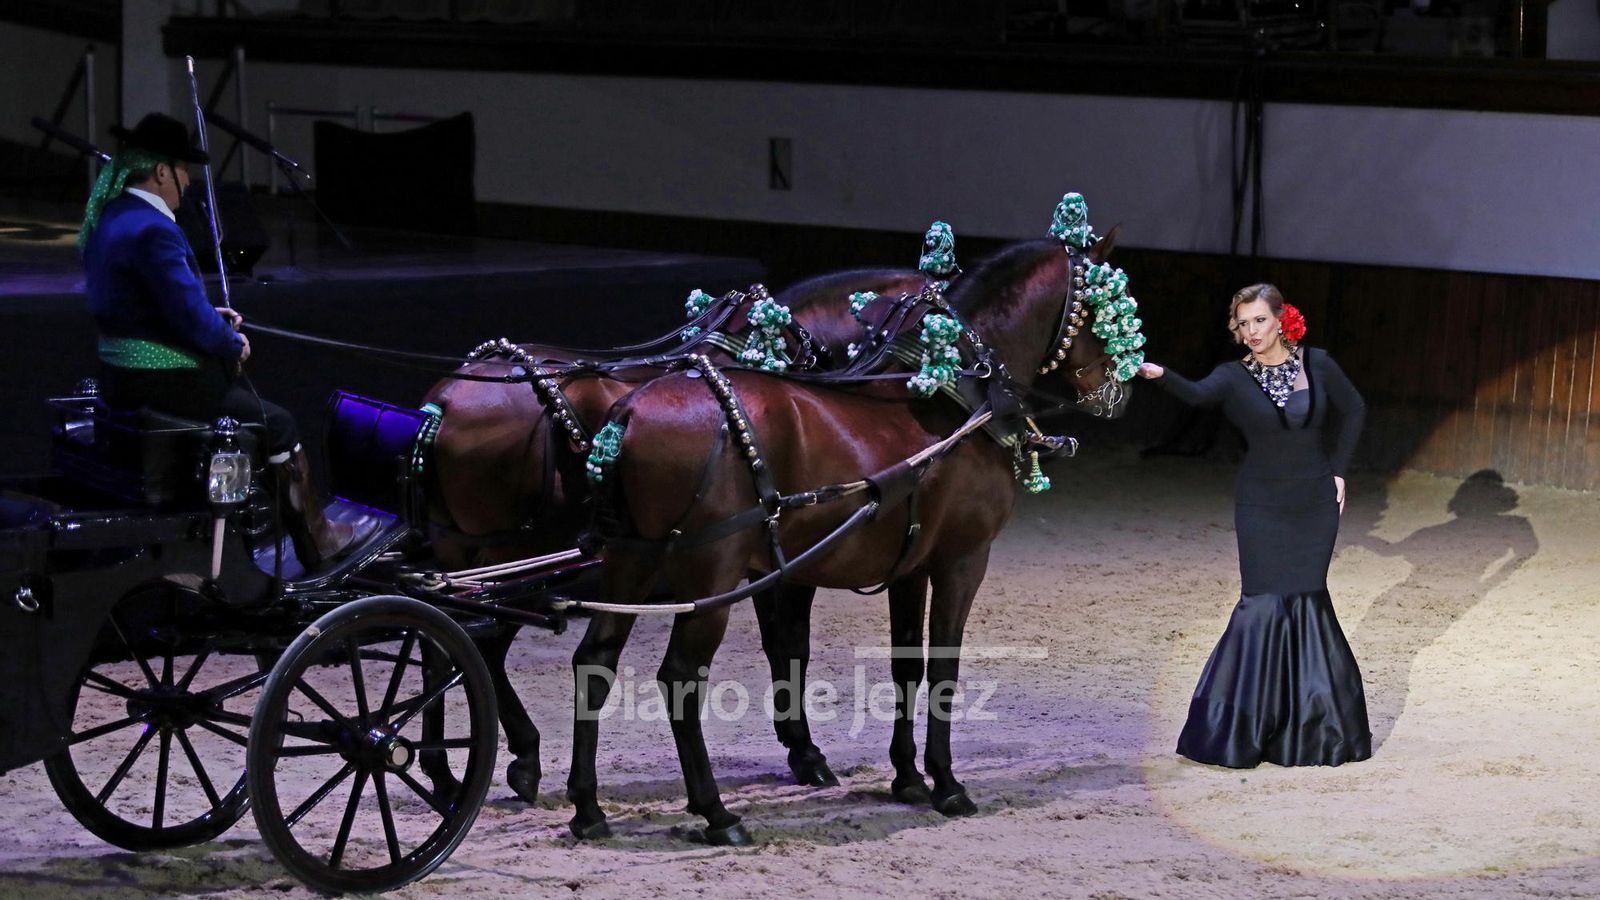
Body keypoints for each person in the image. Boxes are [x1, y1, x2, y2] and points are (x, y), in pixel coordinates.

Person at [79, 112, 378, 570]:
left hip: (121, 375)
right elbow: (195, 325)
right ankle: (320, 540)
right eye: (185, 173)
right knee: (276, 423)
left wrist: (209, 318)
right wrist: (230, 341)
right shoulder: (155, 229)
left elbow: (143, 305)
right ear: (163, 172)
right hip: (162, 381)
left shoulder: (114, 215)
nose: (188, 183)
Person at [1137, 283, 1371, 768]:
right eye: (1243, 324)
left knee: (1307, 603)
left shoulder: (1319, 363)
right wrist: (1158, 373)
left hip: (1313, 504)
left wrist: (1340, 469)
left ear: (1281, 319)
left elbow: (1355, 410)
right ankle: (1239, 730)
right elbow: (1197, 396)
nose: (1251, 332)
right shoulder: (1230, 376)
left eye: (1259, 320)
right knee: (1261, 606)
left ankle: (1310, 731)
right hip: (1261, 505)